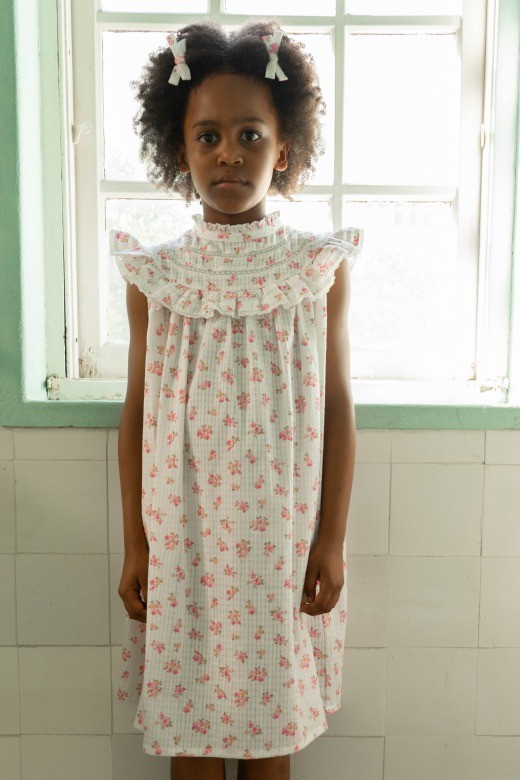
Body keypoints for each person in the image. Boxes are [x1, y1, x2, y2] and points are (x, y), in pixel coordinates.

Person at [109, 18, 363, 780]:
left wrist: (330, 539)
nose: (229, 153)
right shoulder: (156, 277)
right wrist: (136, 542)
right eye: (208, 136)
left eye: (250, 135)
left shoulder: (316, 270)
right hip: (182, 540)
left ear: (282, 150)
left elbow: (338, 410)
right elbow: (135, 415)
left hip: (280, 543)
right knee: (192, 728)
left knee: (268, 727)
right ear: (180, 151)